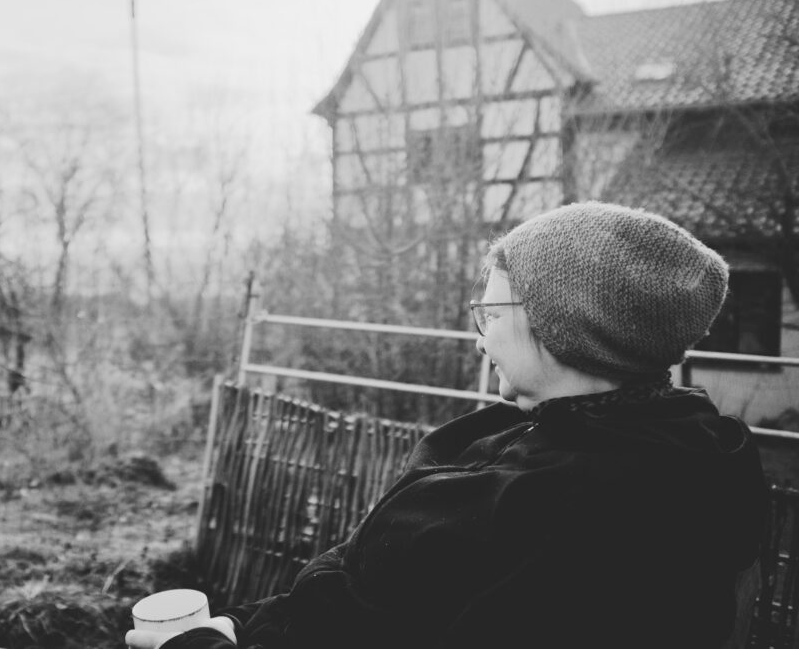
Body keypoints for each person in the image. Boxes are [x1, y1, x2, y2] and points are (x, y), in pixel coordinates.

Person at [127, 202, 770, 649]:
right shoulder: (699, 450)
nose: (480, 336)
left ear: (564, 326)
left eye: (490, 312)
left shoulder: (552, 505)